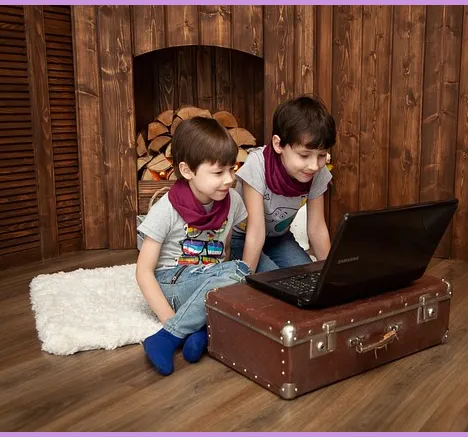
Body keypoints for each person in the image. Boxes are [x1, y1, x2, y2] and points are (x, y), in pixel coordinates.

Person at [136, 116, 250, 376]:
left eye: (232, 169)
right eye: (218, 172)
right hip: (171, 284)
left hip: (207, 281)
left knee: (246, 277)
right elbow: (143, 272)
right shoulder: (166, 209)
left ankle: (198, 333)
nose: (229, 179)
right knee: (240, 271)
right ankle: (168, 336)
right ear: (187, 171)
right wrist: (169, 319)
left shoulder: (232, 201)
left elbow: (225, 251)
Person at [230, 95, 337, 273]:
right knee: (271, 280)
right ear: (278, 144)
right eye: (304, 155)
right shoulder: (257, 164)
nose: (313, 165)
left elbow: (317, 228)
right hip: (242, 238)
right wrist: (246, 280)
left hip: (279, 238)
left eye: (321, 155)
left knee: (306, 277)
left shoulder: (318, 171)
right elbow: (256, 232)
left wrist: (331, 276)